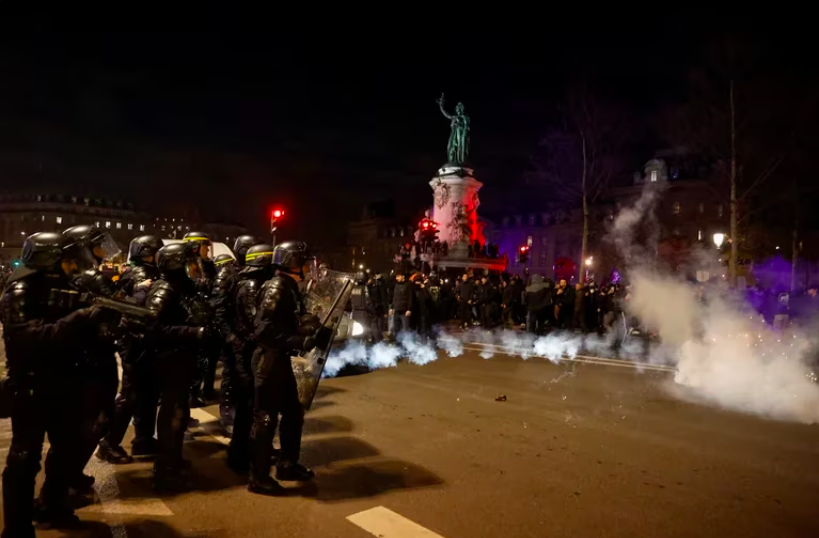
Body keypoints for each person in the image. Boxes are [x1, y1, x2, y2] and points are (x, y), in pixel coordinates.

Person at [1, 232, 116, 535]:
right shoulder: (20, 291)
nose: (74, 265)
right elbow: (29, 338)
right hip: (32, 387)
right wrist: (82, 318)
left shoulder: (66, 288)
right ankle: (17, 528)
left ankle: (53, 505)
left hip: (66, 384)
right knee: (24, 459)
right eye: (66, 260)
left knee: (67, 450)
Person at [248, 241, 332, 494]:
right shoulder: (276, 287)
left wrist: (311, 325)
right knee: (265, 419)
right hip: (270, 361)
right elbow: (264, 331)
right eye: (305, 263)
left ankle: (287, 464)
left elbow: (288, 321)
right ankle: (258, 477)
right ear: (292, 263)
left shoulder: (291, 287)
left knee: (293, 413)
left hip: (283, 360)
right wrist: (300, 340)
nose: (309, 267)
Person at [60, 225, 122, 491]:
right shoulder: (91, 278)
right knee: (96, 419)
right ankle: (68, 477)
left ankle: (69, 475)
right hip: (95, 356)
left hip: (88, 354)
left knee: (88, 419)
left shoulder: (78, 276)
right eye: (99, 244)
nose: (104, 250)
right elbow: (114, 310)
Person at [145, 242, 210, 490]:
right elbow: (153, 329)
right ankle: (165, 469)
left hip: (181, 358)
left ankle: (173, 459)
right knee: (171, 413)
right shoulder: (164, 290)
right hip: (169, 359)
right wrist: (192, 333)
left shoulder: (180, 287)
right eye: (188, 263)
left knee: (179, 412)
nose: (193, 267)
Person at [97, 234, 163, 464]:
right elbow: (137, 308)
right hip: (136, 342)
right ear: (147, 253)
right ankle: (109, 443)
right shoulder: (140, 275)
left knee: (148, 392)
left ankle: (143, 439)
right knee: (131, 394)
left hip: (141, 341)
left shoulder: (141, 272)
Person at [226, 243, 275, 473]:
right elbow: (258, 324)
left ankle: (241, 451)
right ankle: (241, 454)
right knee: (249, 404)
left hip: (243, 349)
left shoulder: (244, 282)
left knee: (247, 404)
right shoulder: (253, 286)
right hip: (247, 352)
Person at [219, 235, 260, 434]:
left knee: (247, 380)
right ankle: (227, 413)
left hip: (247, 335)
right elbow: (219, 309)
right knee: (230, 376)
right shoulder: (229, 273)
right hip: (233, 334)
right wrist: (230, 336)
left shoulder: (253, 273)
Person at [184, 231, 219, 406]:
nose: (207, 250)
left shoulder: (209, 265)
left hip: (209, 315)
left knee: (210, 357)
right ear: (196, 247)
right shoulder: (188, 266)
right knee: (197, 359)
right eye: (205, 246)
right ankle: (192, 392)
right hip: (194, 318)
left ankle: (207, 390)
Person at [389, 272, 413, 337]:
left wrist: (409, 309)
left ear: (403, 276)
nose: (396, 278)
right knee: (396, 329)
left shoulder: (408, 285)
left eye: (398, 276)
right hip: (396, 310)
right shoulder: (396, 285)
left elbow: (410, 298)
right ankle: (398, 344)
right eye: (396, 277)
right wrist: (391, 307)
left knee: (406, 329)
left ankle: (407, 344)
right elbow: (394, 297)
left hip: (404, 311)